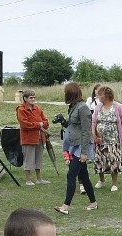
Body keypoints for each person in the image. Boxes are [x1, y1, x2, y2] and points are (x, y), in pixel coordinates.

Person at [53, 82, 97, 215]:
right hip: (74, 144)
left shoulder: (83, 108)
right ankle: (93, 203)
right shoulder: (74, 106)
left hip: (81, 146)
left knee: (71, 174)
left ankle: (65, 206)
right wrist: (63, 122)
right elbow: (73, 125)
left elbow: (86, 130)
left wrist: (84, 152)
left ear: (71, 93)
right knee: (84, 175)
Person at [92, 86, 122, 192]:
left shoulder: (118, 107)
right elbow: (94, 121)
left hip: (114, 141)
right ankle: (101, 180)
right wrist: (94, 134)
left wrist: (119, 129)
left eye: (100, 94)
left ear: (107, 95)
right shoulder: (98, 107)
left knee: (114, 161)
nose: (98, 96)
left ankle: (114, 183)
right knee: (99, 160)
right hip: (100, 141)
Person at [15, 89, 50, 186]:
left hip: (40, 137)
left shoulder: (38, 108)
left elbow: (46, 121)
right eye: (31, 97)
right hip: (28, 138)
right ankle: (28, 180)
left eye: (34, 97)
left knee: (39, 159)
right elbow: (25, 124)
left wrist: (42, 124)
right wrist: (38, 125)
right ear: (25, 98)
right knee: (29, 159)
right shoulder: (21, 109)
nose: (33, 99)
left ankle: (39, 179)